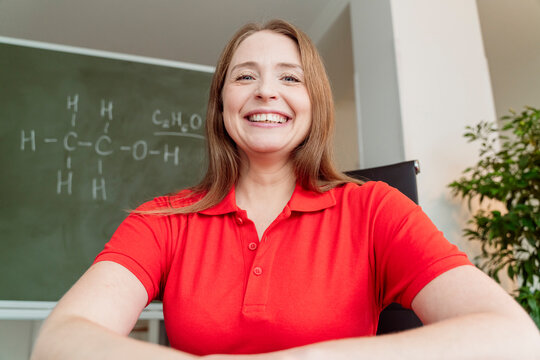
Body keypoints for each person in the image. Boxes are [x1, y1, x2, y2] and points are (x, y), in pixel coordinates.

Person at [31, 19, 539, 360]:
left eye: (289, 78)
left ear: (314, 103)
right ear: (222, 105)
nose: (265, 90)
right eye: (244, 76)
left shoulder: (375, 208)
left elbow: (513, 338)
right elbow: (59, 340)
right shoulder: (163, 220)